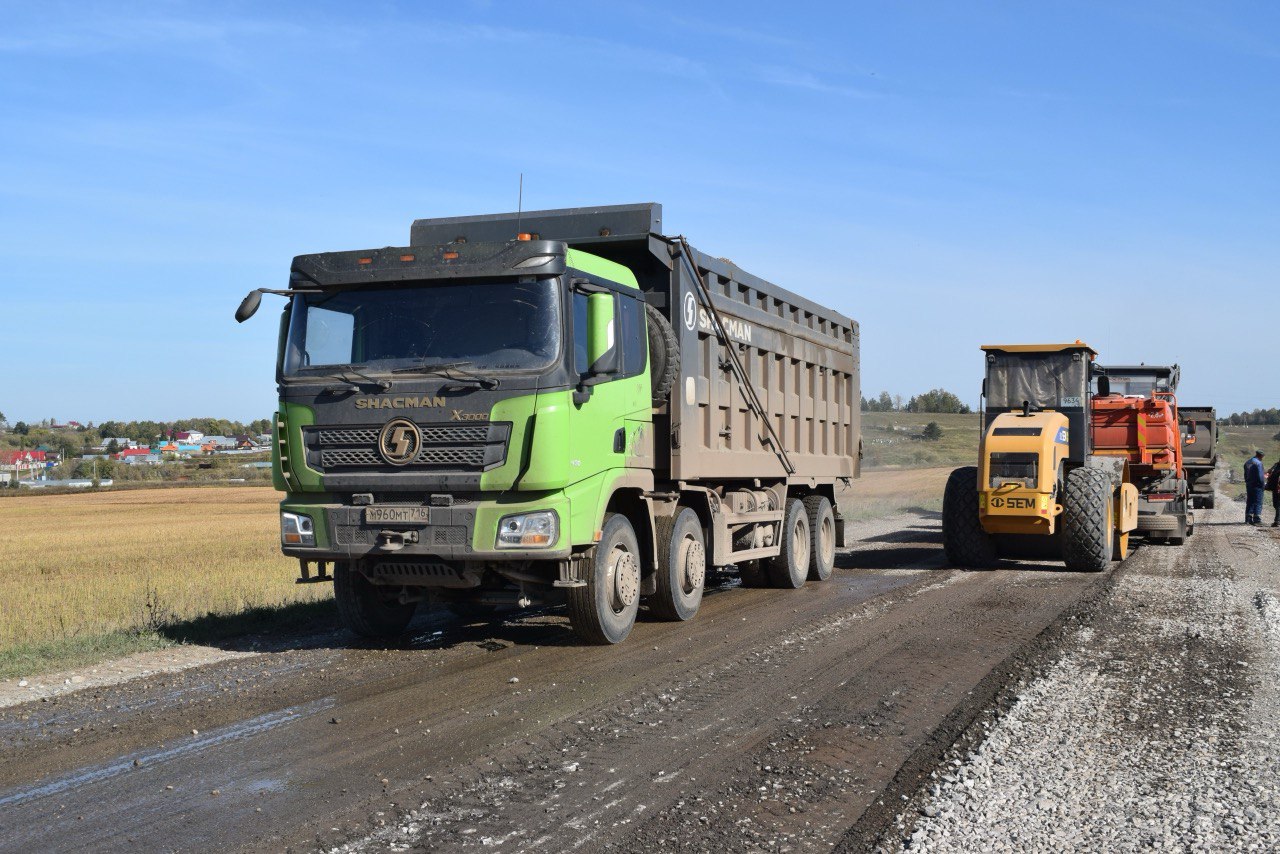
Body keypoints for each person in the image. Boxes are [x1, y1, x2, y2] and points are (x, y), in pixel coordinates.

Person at [1244, 450, 1266, 524]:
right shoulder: (1258, 463)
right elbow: (1260, 476)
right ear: (1261, 456)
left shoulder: (1248, 462)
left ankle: (1248, 519)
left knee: (1250, 501)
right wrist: (1263, 484)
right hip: (1257, 485)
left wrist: (1247, 481)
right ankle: (1257, 520)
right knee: (1258, 501)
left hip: (1249, 484)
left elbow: (1245, 474)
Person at [1268, 459, 1280, 528]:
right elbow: (1270, 472)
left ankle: (1277, 521)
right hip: (1275, 488)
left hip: (1278, 488)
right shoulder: (1276, 465)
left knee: (1278, 505)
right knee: (1275, 504)